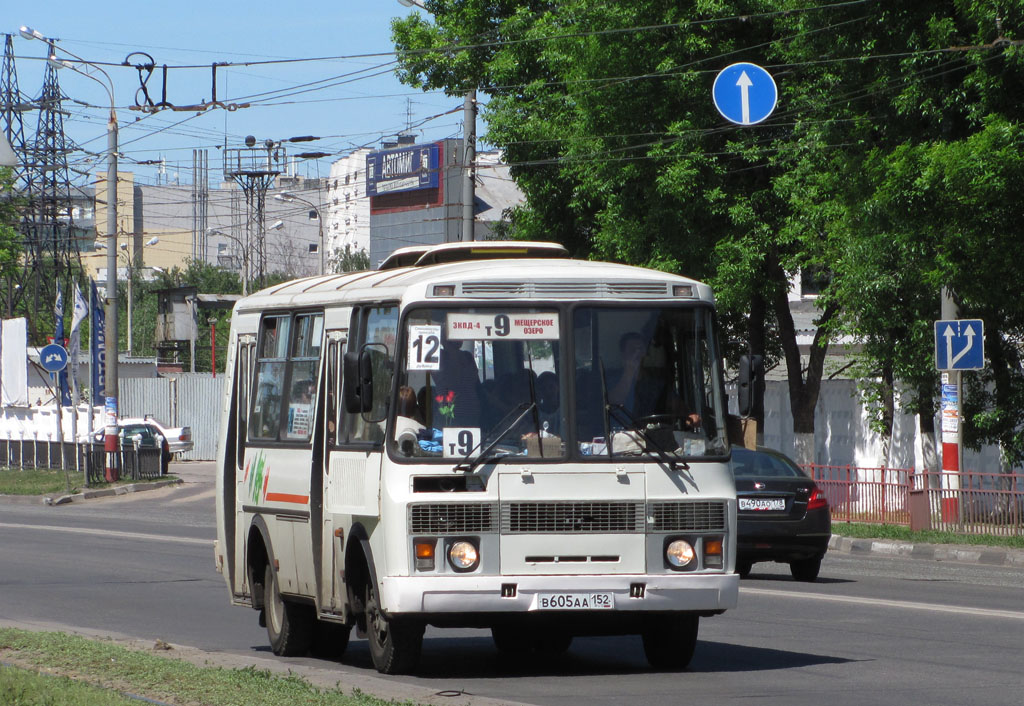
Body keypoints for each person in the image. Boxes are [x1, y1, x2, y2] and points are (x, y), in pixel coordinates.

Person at [607, 332, 699, 429]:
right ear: (623, 354)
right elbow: (613, 402)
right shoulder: (611, 379)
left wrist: (690, 416)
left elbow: (676, 405)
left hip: (651, 437)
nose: (637, 354)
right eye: (632, 350)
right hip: (618, 436)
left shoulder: (655, 384)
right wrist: (630, 371)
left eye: (640, 350)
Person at [430, 337, 481, 427]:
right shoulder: (466, 357)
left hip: (451, 408)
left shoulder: (439, 357)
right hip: (467, 408)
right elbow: (476, 383)